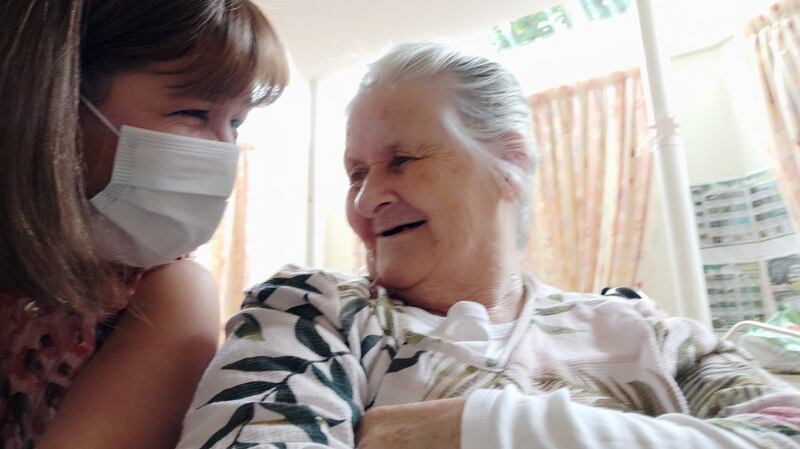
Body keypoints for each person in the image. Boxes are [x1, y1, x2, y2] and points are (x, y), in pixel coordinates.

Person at [177, 42, 800, 449]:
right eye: (356, 174)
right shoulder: (311, 314)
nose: (367, 202)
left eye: (402, 160)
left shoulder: (640, 331)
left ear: (510, 164)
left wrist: (480, 427)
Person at [0, 1, 288, 448]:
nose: (224, 149)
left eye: (236, 122)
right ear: (61, 105)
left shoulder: (168, 293)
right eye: (194, 114)